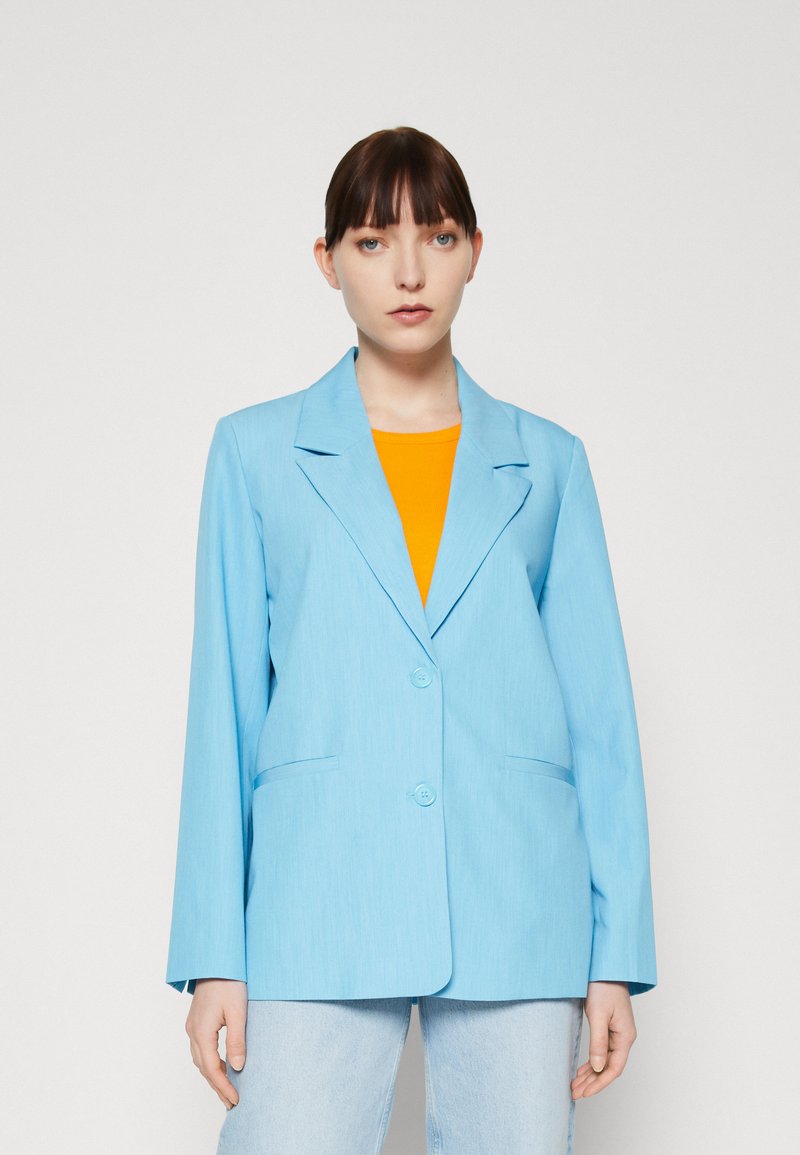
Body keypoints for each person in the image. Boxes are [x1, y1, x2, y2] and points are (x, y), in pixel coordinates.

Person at [165, 125, 657, 1154]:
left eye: (435, 237)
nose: (406, 272)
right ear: (326, 260)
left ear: (474, 250)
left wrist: (615, 953)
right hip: (315, 901)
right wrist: (214, 952)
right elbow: (224, 713)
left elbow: (600, 722)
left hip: (515, 900)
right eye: (371, 240)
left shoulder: (549, 463)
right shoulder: (254, 453)